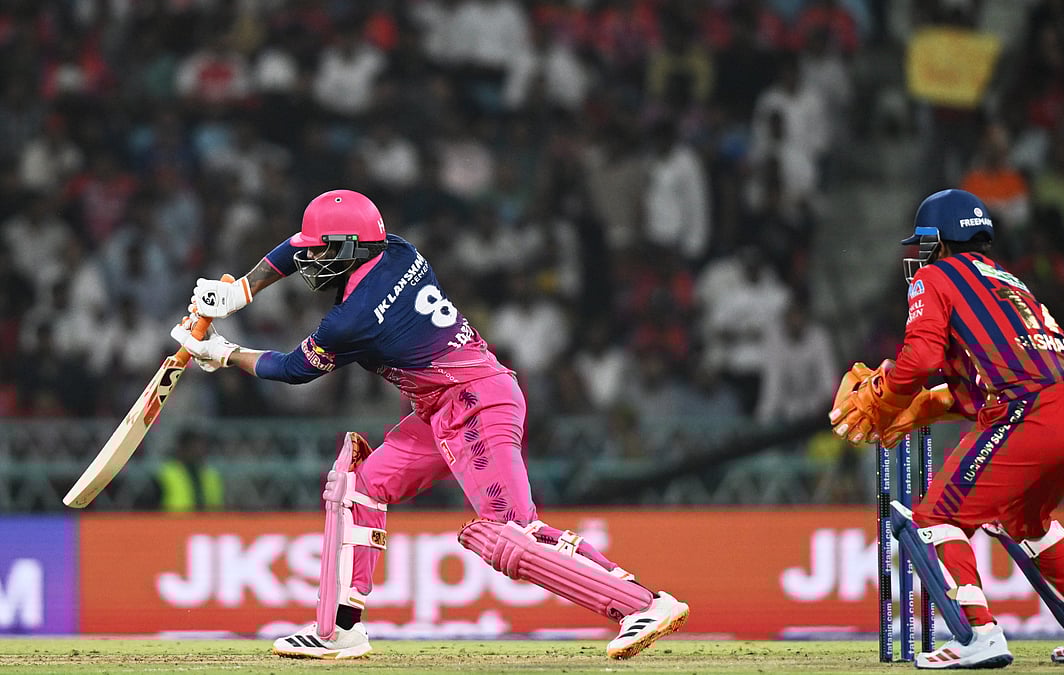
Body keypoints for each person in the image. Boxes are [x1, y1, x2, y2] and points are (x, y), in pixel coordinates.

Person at [171, 189, 688, 660]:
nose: (311, 260)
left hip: (475, 406)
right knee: (361, 485)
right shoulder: (396, 249)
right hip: (442, 410)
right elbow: (295, 245)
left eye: (323, 252)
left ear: (352, 249)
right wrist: (241, 290)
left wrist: (223, 352)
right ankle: (342, 631)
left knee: (509, 533)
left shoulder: (353, 319)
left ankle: (642, 603)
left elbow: (291, 369)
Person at [828, 189, 1064, 668]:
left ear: (942, 240)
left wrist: (884, 392)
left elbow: (921, 359)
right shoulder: (1008, 281)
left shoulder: (935, 276)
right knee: (1026, 521)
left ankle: (979, 636)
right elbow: (983, 390)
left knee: (937, 515)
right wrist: (923, 406)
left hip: (1034, 410)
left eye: (925, 244)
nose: (920, 256)